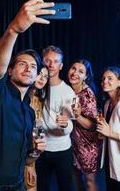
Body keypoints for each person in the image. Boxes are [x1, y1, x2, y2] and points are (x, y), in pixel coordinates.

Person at [0, 0, 54, 191]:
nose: (28, 69)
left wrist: (36, 153)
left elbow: (25, 158)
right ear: (11, 70)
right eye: (22, 64)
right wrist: (13, 30)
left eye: (33, 67)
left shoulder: (29, 113)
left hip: (17, 184)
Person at [36, 45, 76, 191]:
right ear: (42, 62)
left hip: (62, 150)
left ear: (61, 66)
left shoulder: (67, 91)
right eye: (48, 60)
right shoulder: (36, 86)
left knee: (65, 187)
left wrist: (65, 125)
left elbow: (70, 124)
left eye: (56, 61)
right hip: (39, 149)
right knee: (41, 187)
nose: (51, 64)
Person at [67, 59, 102, 191]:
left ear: (86, 77)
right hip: (73, 143)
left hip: (87, 145)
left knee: (89, 182)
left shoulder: (87, 95)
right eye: (73, 68)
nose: (75, 73)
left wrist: (77, 116)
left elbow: (93, 126)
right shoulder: (69, 90)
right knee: (75, 178)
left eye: (80, 71)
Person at [25, 65, 50, 191]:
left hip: (32, 155)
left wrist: (33, 158)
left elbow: (38, 130)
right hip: (19, 155)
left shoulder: (39, 100)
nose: (42, 79)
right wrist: (28, 164)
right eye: (40, 74)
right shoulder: (22, 97)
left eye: (46, 76)